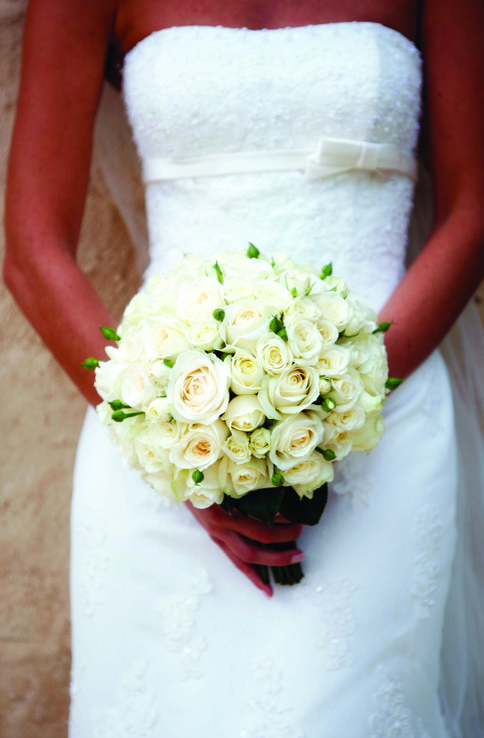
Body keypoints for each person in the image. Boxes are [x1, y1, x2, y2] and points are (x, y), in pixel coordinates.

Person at [3, 0, 484, 735]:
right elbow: (32, 248)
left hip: (381, 426)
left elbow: (473, 211)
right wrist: (174, 440)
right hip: (165, 443)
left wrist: (333, 404)